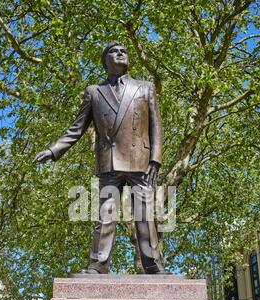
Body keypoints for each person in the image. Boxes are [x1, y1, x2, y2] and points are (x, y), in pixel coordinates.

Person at [33, 42, 165, 275]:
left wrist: (155, 158)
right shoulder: (94, 91)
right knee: (105, 215)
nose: (121, 53)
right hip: (109, 162)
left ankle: (154, 266)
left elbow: (156, 126)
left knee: (145, 215)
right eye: (114, 51)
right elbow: (76, 128)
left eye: (124, 50)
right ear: (105, 62)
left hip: (140, 160)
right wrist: (54, 150)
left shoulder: (145, 88)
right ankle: (98, 265)